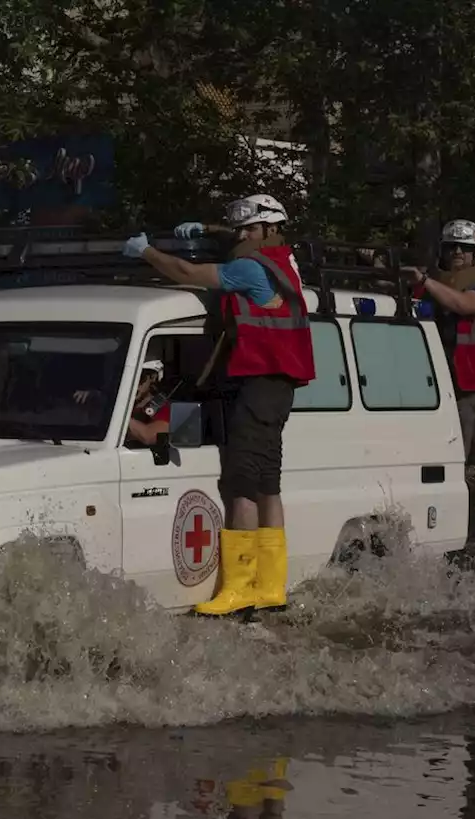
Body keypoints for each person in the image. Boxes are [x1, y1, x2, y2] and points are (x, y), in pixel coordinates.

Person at [122, 193, 316, 617]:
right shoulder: (282, 261)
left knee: (241, 487)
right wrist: (209, 231)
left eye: (247, 229)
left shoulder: (250, 267)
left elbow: (187, 272)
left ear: (268, 229)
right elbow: (231, 250)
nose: (241, 235)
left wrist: (148, 252)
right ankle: (269, 589)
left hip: (260, 383)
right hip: (276, 385)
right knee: (267, 485)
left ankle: (240, 591)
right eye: (238, 229)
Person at [403, 219, 475, 456]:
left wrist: (425, 282)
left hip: (465, 382)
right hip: (424, 379)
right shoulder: (429, 280)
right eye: (452, 247)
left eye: (464, 247)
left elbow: (464, 304)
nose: (457, 252)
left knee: (456, 449)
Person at [73, 359, 172, 446]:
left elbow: (149, 436)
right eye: (126, 376)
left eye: (139, 377)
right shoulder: (119, 402)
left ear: (152, 378)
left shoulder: (163, 407)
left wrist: (113, 411)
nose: (134, 384)